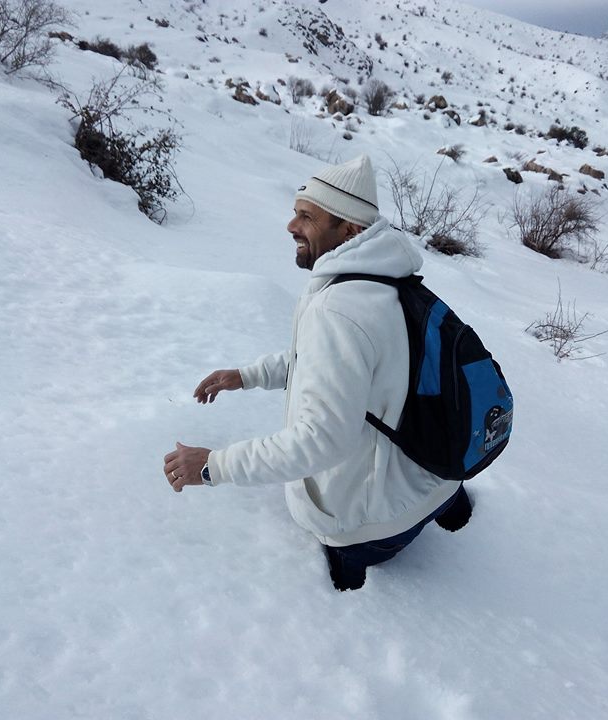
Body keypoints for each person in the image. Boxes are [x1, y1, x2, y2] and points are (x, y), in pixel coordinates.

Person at [163, 154, 473, 591]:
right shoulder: (388, 283)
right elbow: (332, 363)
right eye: (295, 213)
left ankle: (351, 577)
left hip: (377, 526)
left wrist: (213, 465)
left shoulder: (338, 310)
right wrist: (248, 375)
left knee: (329, 526)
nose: (291, 226)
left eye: (307, 216)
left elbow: (320, 441)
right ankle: (450, 507)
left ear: (348, 229)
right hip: (437, 478)